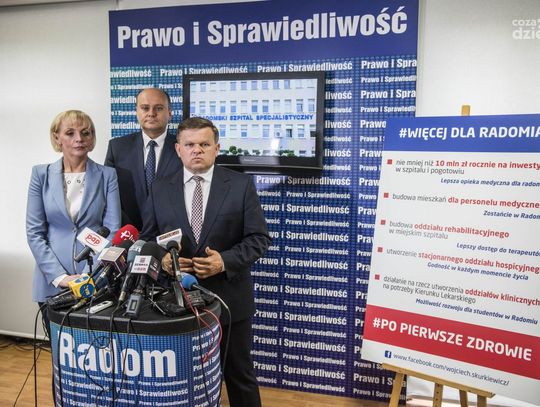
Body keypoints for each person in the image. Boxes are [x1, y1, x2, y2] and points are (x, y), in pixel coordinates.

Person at [141, 117, 271, 407]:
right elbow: (148, 239)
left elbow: (259, 238)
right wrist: (163, 258)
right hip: (175, 304)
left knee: (239, 375)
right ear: (178, 149)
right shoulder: (160, 188)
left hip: (230, 301)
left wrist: (223, 261)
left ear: (217, 148)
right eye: (189, 144)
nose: (196, 150)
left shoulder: (240, 185)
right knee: (184, 379)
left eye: (204, 144)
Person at [26, 110, 121, 332]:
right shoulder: (40, 174)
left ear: (92, 137)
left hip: (94, 280)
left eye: (85, 133)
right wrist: (60, 277)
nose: (79, 138)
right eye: (70, 133)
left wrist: (90, 276)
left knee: (92, 347)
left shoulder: (108, 175)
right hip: (51, 280)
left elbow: (112, 230)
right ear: (57, 137)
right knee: (58, 348)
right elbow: (34, 232)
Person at [105, 88, 182, 231]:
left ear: (170, 113)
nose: (151, 113)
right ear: (136, 111)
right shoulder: (117, 148)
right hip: (128, 232)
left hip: (172, 234)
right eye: (145, 108)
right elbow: (109, 196)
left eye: (159, 108)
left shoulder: (184, 149)